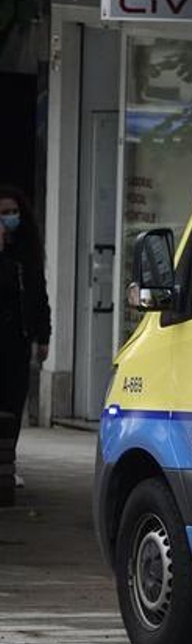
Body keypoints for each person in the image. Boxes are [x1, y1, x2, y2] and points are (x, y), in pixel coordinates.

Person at [0, 187, 51, 488]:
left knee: (14, 400)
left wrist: (44, 336)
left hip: (18, 340)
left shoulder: (28, 252)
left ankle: (8, 462)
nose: (9, 218)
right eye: (3, 213)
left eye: (13, 212)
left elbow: (39, 296)